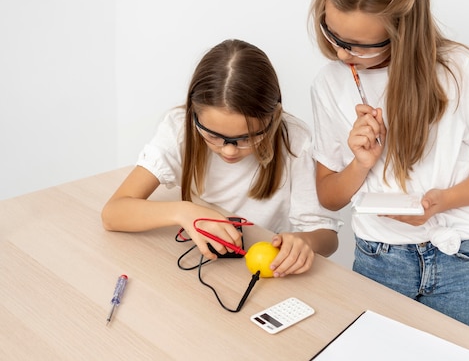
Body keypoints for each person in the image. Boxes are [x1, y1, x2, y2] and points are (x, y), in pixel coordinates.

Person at [308, 0, 469, 328]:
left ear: (402, 32)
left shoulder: (455, 69)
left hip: (461, 258)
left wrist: (444, 201)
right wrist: (360, 164)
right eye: (332, 34)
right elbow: (328, 196)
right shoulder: (329, 84)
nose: (342, 54)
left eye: (358, 46)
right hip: (380, 258)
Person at [102, 39, 340, 277]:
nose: (229, 151)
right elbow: (113, 213)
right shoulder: (179, 130)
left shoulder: (295, 142)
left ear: (274, 118)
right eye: (213, 136)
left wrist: (306, 242)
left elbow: (328, 238)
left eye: (248, 138)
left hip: (262, 275)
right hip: (202, 267)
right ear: (193, 114)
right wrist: (183, 212)